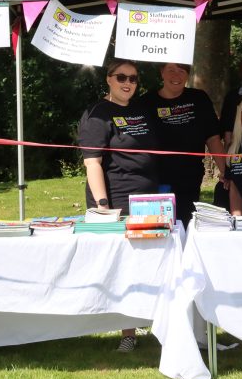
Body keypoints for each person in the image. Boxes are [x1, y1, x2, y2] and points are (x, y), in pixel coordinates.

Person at [78, 58, 158, 353]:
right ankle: (128, 333)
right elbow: (93, 164)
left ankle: (153, 321)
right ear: (108, 79)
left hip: (148, 199)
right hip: (117, 201)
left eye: (134, 78)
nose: (128, 83)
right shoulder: (97, 114)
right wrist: (103, 207)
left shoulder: (140, 109)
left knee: (147, 263)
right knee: (124, 267)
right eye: (121, 77)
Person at [140, 63, 225, 226]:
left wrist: (225, 171)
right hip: (155, 177)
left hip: (189, 178)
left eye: (182, 71)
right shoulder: (146, 103)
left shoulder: (198, 98)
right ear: (162, 72)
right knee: (156, 226)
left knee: (184, 224)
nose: (176, 76)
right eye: (171, 70)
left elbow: (213, 138)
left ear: (188, 75)